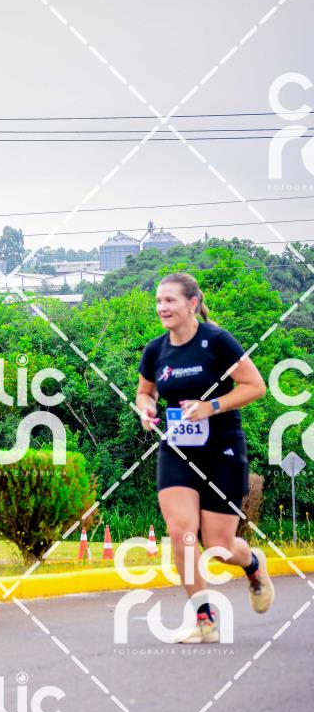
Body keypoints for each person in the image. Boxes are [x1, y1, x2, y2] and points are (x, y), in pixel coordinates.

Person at [136, 272, 274, 643]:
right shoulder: (156, 350)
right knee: (180, 532)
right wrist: (146, 409)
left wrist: (211, 406)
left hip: (223, 448)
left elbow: (255, 386)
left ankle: (253, 564)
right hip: (177, 448)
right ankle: (204, 621)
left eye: (170, 300)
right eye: (159, 301)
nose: (162, 307)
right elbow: (145, 392)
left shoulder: (216, 341)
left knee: (218, 546)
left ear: (192, 303)